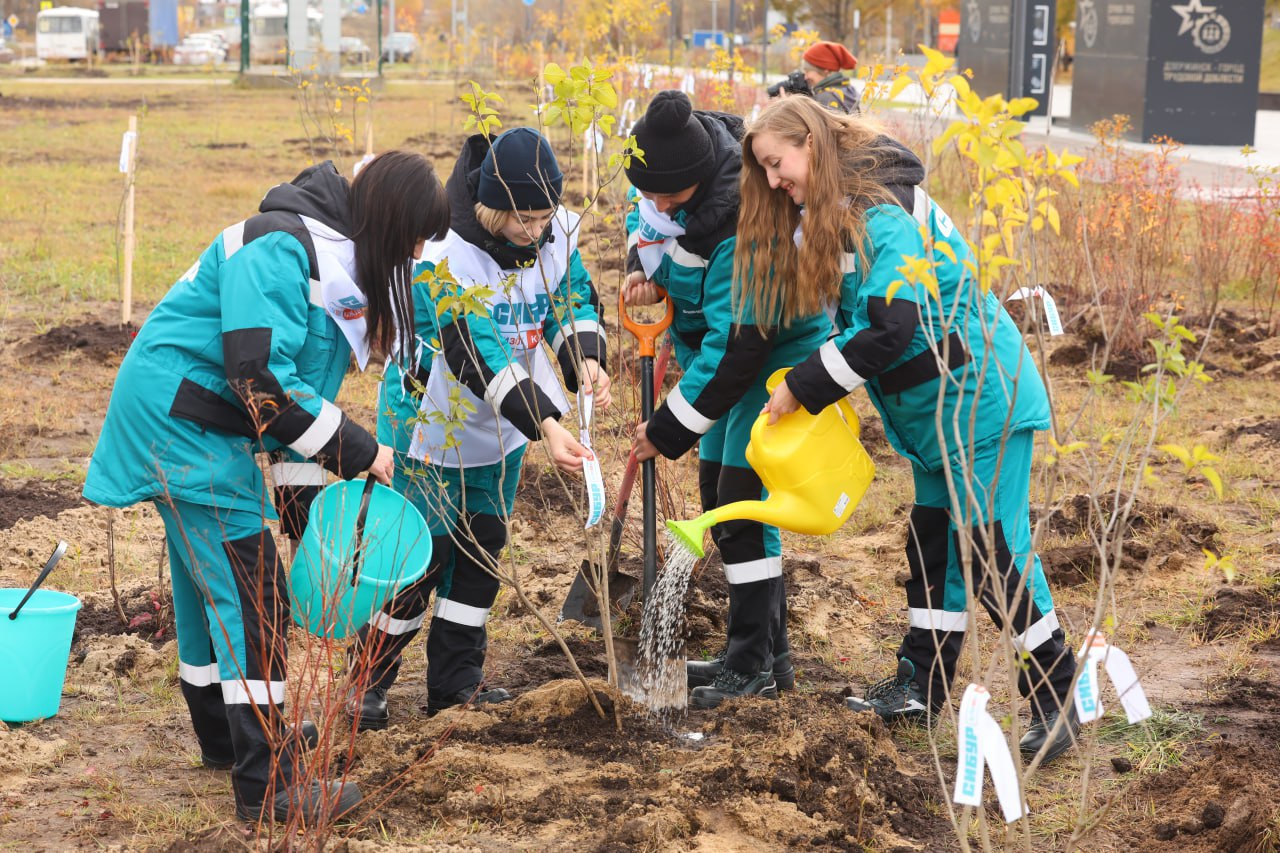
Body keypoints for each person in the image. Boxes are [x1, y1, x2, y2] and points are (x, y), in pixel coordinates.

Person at [82, 151, 451, 821]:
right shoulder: (281, 247)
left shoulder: (329, 264)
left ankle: (227, 735)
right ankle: (268, 788)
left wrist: (312, 519)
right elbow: (260, 382)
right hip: (182, 420)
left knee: (210, 585)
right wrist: (367, 453)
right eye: (417, 241)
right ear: (394, 223)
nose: (417, 255)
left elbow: (290, 424)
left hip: (200, 423)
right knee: (256, 597)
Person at [736, 96, 1079, 763]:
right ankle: (920, 684)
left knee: (992, 551)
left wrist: (802, 386)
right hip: (932, 417)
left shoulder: (880, 209)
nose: (776, 181)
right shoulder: (839, 216)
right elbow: (856, 324)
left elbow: (890, 329)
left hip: (980, 401)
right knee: (932, 546)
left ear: (810, 141)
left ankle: (1056, 692)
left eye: (778, 164)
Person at [346, 127, 609, 729]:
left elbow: (570, 299)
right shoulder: (442, 254)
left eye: (546, 216)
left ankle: (455, 686)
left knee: (482, 550)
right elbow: (475, 349)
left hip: (505, 434)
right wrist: (545, 419)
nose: (537, 230)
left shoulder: (556, 236)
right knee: (419, 560)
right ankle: (369, 680)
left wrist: (584, 357)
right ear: (493, 206)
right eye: (525, 218)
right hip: (430, 429)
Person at [623, 91, 830, 709]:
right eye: (650, 197)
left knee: (739, 507)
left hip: (767, 368)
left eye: (669, 197)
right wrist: (647, 269)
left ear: (697, 179)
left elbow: (737, 346)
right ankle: (770, 653)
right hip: (722, 366)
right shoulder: (678, 201)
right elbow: (664, 245)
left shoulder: (747, 221)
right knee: (719, 490)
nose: (658, 207)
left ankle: (752, 664)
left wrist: (666, 428)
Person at [800, 40, 861, 115]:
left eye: (807, 71)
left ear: (825, 70)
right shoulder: (848, 90)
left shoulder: (825, 99)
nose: (805, 77)